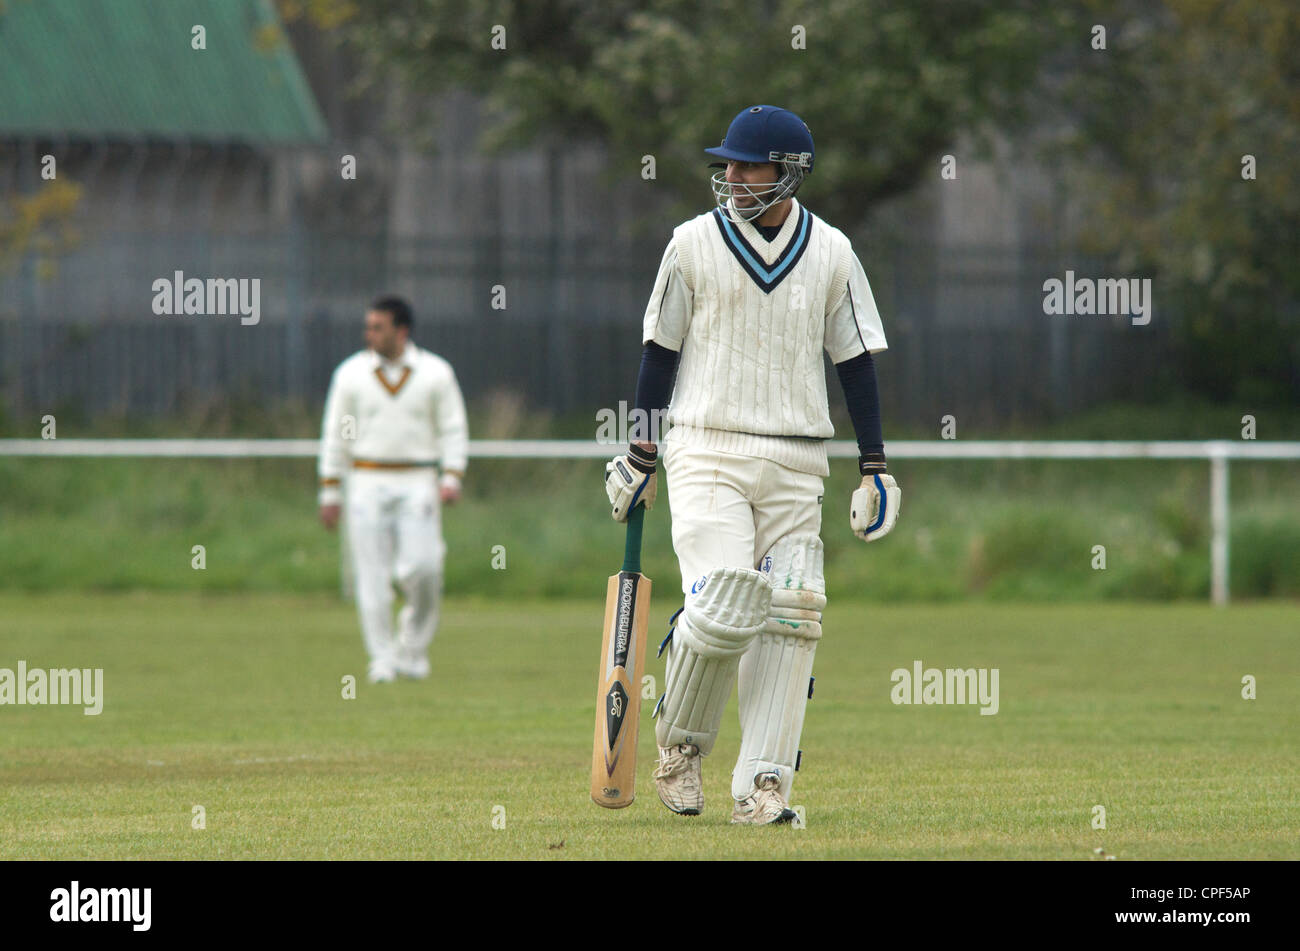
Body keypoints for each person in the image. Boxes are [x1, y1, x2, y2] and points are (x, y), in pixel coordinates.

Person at [604, 105, 901, 824]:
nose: (731, 176)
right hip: (706, 448)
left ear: (789, 172)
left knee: (792, 616)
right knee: (726, 595)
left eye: (747, 165)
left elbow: (855, 360)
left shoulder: (831, 251)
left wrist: (875, 463)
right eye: (726, 164)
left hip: (799, 458)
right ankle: (681, 748)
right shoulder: (690, 244)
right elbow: (658, 354)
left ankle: (765, 784)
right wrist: (643, 451)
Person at [318, 296, 468, 683]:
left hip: (418, 480)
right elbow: (336, 433)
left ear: (401, 331)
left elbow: (453, 427)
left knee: (425, 569)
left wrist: (452, 476)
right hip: (366, 479)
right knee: (371, 575)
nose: (369, 333)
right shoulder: (350, 374)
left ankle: (413, 651)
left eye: (377, 326)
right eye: (368, 326)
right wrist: (330, 490)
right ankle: (382, 659)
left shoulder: (435, 372)